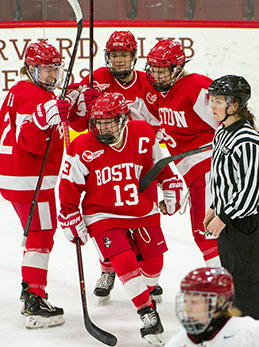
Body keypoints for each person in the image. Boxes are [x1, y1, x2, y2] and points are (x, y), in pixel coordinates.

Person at [59, 92, 183, 346]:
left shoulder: (143, 134)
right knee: (124, 259)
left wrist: (170, 183)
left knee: (153, 268)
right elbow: (69, 184)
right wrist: (69, 213)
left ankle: (116, 271)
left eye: (109, 121)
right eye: (98, 122)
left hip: (142, 210)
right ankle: (147, 314)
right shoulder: (82, 145)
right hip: (102, 213)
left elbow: (160, 165)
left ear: (124, 118)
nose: (102, 128)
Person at [67, 30, 162, 304]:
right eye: (114, 55)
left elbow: (158, 119)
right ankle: (107, 268)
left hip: (138, 161)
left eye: (124, 55)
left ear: (133, 56)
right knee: (105, 219)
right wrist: (80, 107)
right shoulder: (95, 80)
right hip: (103, 159)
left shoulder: (147, 82)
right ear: (107, 56)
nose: (119, 61)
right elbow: (76, 123)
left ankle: (146, 274)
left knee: (142, 218)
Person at [0, 40, 71, 329]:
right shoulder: (36, 97)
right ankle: (34, 299)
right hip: (31, 178)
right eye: (45, 70)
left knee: (38, 232)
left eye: (55, 69)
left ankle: (32, 289)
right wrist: (42, 120)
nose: (52, 76)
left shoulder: (20, 90)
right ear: (30, 68)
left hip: (14, 176)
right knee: (41, 234)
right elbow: (31, 142)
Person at [203, 75, 259, 330]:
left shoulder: (248, 142)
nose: (213, 106)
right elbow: (222, 176)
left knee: (247, 283)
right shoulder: (222, 132)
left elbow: (250, 192)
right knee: (232, 280)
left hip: (248, 222)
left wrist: (224, 217)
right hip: (231, 217)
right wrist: (214, 207)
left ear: (234, 104)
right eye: (213, 99)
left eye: (219, 101)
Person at [145, 39, 221, 268]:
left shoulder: (196, 87)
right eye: (154, 71)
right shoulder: (162, 94)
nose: (158, 77)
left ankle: (224, 287)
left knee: (206, 233)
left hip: (209, 171)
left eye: (163, 71)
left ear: (177, 68)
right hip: (195, 176)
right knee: (206, 233)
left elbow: (225, 122)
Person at [166, 267, 259, 347]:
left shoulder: (248, 332)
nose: (187, 309)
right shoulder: (178, 343)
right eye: (186, 301)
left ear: (219, 302)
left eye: (194, 302)